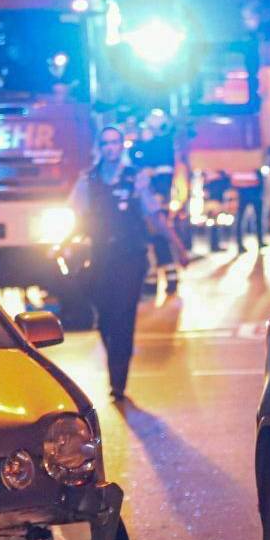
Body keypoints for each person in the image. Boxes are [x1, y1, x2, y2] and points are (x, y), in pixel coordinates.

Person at [69, 125, 172, 402]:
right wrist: (64, 244)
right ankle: (115, 361)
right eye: (105, 143)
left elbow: (153, 214)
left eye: (115, 142)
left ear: (122, 145)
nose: (110, 148)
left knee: (124, 317)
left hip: (130, 257)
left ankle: (118, 381)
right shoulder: (88, 180)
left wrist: (176, 246)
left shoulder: (135, 177)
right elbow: (76, 216)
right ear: (99, 148)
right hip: (100, 257)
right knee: (104, 320)